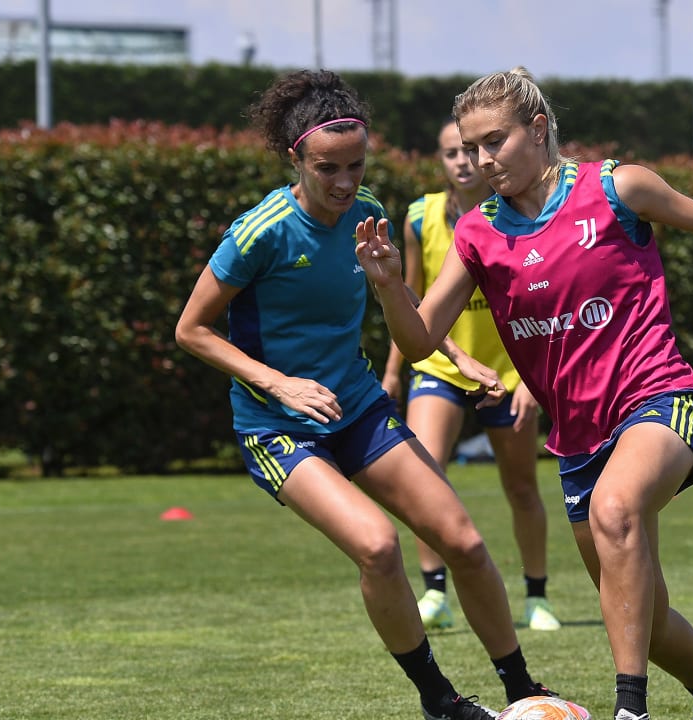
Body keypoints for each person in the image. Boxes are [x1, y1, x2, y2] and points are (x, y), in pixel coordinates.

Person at [356, 67, 693, 720]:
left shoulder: (617, 187)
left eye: (495, 141)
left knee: (615, 511)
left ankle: (630, 711)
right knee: (637, 613)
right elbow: (420, 342)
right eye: (472, 147)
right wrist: (392, 287)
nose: (481, 159)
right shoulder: (479, 233)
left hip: (660, 400)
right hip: (577, 440)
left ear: (538, 130)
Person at [174, 69, 556, 720]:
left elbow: (401, 297)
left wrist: (459, 358)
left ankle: (522, 689)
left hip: (355, 406)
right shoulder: (261, 231)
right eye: (329, 169)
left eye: (356, 165)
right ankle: (440, 701)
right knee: (378, 547)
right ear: (296, 158)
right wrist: (278, 384)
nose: (346, 182)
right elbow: (191, 329)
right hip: (278, 428)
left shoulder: (371, 211)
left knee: (462, 541)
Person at [383, 117, 561, 633]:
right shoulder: (421, 217)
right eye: (452, 152)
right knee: (424, 470)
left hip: (508, 373)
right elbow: (407, 300)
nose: (464, 160)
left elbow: (546, 298)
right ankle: (435, 592)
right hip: (441, 365)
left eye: (471, 150)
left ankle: (536, 596)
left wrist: (534, 377)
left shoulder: (517, 217)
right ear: (440, 161)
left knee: (522, 487)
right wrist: (394, 370)